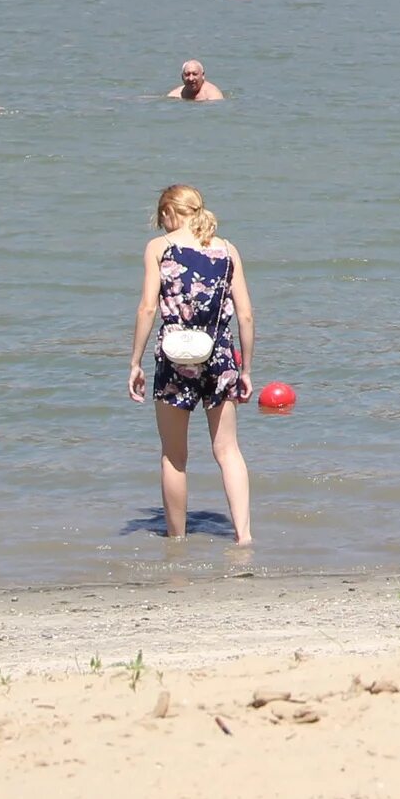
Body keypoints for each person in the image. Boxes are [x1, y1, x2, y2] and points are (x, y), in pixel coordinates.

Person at [128, 183, 259, 544]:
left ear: (169, 212)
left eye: (162, 220)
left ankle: (177, 540)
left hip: (174, 356)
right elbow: (245, 315)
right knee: (228, 450)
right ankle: (244, 536)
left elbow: (147, 309)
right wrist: (246, 369)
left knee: (174, 455)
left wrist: (135, 363)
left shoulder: (160, 248)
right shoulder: (229, 250)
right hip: (219, 355)